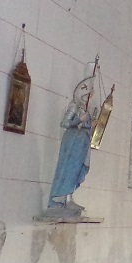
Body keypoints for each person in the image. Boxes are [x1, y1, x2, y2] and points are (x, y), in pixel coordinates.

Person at [45, 77, 95, 217]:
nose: (88, 98)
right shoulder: (74, 106)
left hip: (82, 144)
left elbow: (86, 129)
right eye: (87, 95)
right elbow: (65, 123)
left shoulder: (86, 110)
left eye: (90, 96)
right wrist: (80, 119)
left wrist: (91, 125)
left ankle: (69, 198)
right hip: (72, 142)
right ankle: (58, 199)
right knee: (68, 169)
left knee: (77, 171)